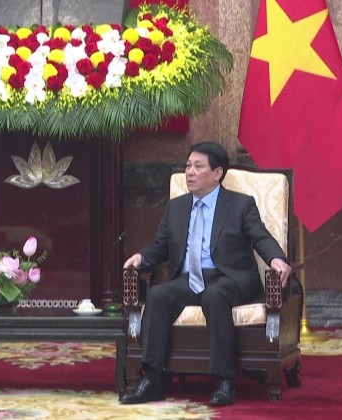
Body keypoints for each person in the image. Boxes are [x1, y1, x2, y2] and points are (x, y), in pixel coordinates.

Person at [118, 141, 291, 407]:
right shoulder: (176, 207)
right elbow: (160, 246)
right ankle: (152, 379)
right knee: (159, 295)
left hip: (230, 277)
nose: (190, 172)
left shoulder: (240, 204)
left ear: (217, 173)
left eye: (198, 167)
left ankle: (224, 381)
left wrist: (276, 258)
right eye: (188, 165)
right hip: (189, 280)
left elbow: (261, 237)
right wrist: (142, 257)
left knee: (215, 295)